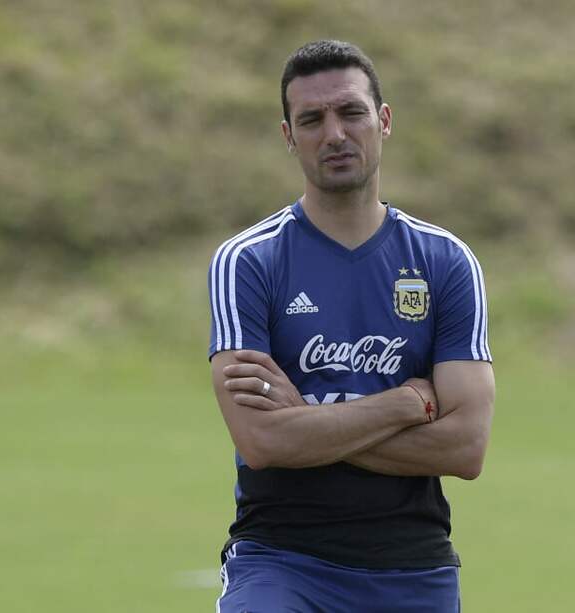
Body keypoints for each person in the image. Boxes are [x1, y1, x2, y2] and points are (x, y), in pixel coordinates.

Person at [208, 39, 495, 612]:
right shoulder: (249, 261)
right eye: (311, 119)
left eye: (351, 112)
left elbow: (465, 448)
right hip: (282, 560)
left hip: (414, 564)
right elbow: (262, 441)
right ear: (289, 137)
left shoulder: (445, 261)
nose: (334, 133)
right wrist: (405, 405)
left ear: (382, 121)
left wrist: (308, 424)